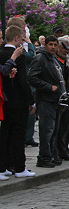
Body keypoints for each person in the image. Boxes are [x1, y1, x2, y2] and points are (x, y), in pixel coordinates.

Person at [0, 25, 36, 178]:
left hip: (4, 101)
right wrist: (31, 101)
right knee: (18, 135)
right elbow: (22, 81)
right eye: (21, 39)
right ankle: (20, 167)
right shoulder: (19, 56)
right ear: (16, 39)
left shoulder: (1, 53)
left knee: (5, 134)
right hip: (18, 100)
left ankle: (4, 166)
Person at [28, 35, 69, 168]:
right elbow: (32, 78)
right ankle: (44, 157)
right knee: (47, 130)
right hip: (46, 99)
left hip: (56, 100)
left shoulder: (53, 59)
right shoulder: (40, 58)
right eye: (50, 44)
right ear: (45, 45)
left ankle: (52, 154)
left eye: (55, 45)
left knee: (54, 130)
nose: (53, 47)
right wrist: (49, 87)